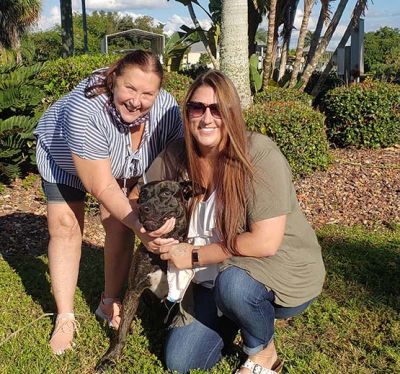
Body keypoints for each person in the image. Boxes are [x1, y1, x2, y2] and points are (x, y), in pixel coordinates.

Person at [135, 70, 325, 374]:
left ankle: (264, 355)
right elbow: (136, 195)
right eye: (197, 108)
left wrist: (193, 255)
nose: (206, 118)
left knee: (235, 286)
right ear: (188, 114)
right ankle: (234, 315)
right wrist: (147, 232)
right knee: (181, 362)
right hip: (210, 278)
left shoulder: (258, 154)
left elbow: (264, 242)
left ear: (232, 113)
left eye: (217, 109)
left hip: (275, 266)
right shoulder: (176, 154)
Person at [34, 50, 183, 354]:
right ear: (114, 80)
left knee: (119, 223)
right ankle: (65, 316)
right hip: (64, 160)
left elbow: (177, 158)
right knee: (65, 228)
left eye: (147, 93)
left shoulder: (166, 108)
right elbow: (100, 184)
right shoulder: (85, 110)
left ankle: (109, 300)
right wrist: (142, 227)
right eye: (130, 88)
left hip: (121, 164)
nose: (136, 100)